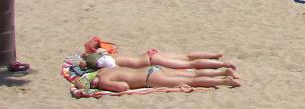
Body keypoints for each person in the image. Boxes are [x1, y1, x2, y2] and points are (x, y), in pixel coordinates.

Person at [72, 66, 240, 92]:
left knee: (193, 81)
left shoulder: (102, 81)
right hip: (152, 69)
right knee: (192, 75)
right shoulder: (103, 70)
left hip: (150, 78)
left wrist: (102, 88)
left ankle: (224, 81)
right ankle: (222, 72)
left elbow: (123, 87)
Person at [81, 48, 235, 71]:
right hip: (150, 54)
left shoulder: (110, 65)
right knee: (187, 57)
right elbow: (95, 53)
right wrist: (85, 58)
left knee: (189, 64)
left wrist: (86, 65)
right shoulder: (106, 55)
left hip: (151, 61)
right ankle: (215, 56)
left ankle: (222, 64)